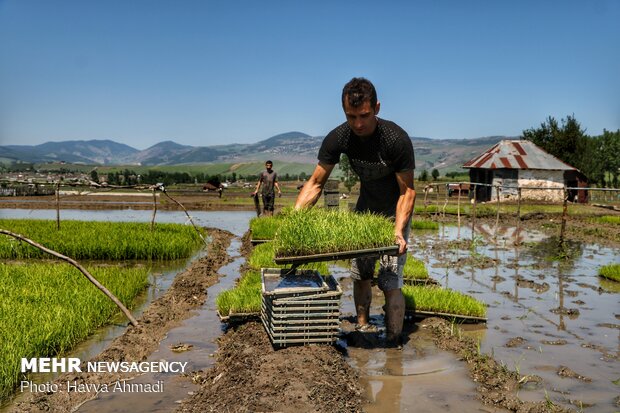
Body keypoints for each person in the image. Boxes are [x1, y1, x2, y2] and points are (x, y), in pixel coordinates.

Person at [294, 77, 416, 346]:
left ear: (377, 108)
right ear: (343, 111)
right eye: (351, 116)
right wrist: (295, 221)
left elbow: (407, 192)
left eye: (364, 115)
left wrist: (398, 231)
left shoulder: (396, 139)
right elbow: (315, 183)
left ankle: (393, 343)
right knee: (361, 275)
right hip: (364, 214)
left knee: (390, 280)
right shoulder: (340, 137)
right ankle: (363, 328)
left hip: (394, 215)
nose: (358, 124)